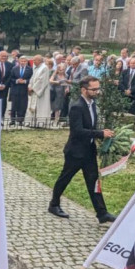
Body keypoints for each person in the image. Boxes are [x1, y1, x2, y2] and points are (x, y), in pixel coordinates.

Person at [48, 78, 116, 224]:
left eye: (98, 89)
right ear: (84, 90)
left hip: (89, 151)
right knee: (65, 178)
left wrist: (101, 135)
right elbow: (77, 131)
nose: (97, 92)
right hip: (75, 152)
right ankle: (54, 204)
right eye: (94, 89)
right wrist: (99, 133)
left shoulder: (92, 104)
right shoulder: (77, 107)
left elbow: (90, 126)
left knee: (93, 182)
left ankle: (102, 213)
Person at [8, 56, 34, 126]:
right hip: (15, 89)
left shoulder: (30, 69)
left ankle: (20, 120)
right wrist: (17, 81)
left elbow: (32, 79)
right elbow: (11, 78)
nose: (23, 62)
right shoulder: (14, 68)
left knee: (22, 106)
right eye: (21, 61)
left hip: (24, 89)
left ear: (26, 62)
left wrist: (25, 81)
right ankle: (12, 120)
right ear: (19, 61)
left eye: (24, 61)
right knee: (14, 106)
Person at [29, 55, 52, 126]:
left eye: (35, 60)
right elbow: (32, 78)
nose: (34, 61)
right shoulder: (36, 68)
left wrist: (33, 88)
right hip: (34, 90)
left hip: (42, 91)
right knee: (35, 107)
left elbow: (42, 80)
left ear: (39, 61)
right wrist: (29, 86)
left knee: (41, 106)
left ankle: (41, 123)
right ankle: (33, 122)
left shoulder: (44, 68)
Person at [50, 57, 69, 125]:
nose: (62, 71)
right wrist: (57, 82)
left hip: (62, 93)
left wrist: (67, 88)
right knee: (56, 107)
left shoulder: (66, 75)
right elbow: (50, 81)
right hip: (55, 92)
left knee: (60, 107)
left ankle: (57, 119)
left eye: (63, 69)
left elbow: (67, 83)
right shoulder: (55, 75)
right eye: (60, 69)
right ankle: (55, 120)